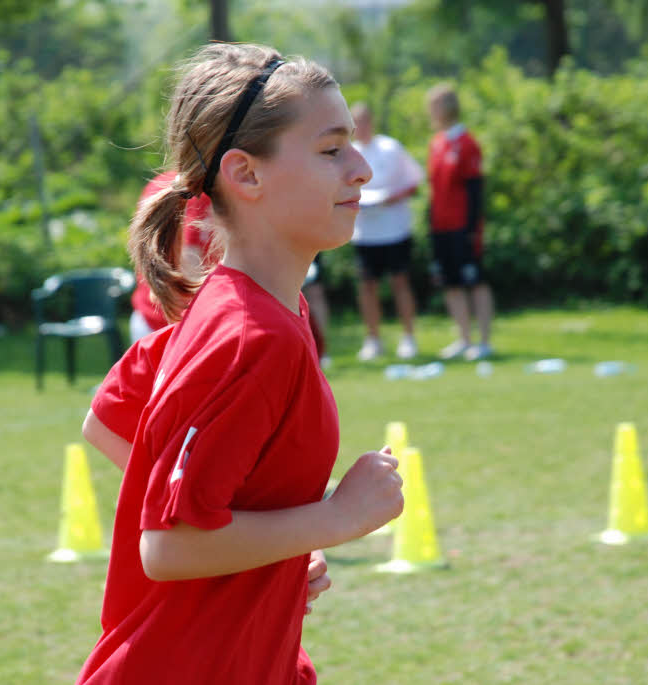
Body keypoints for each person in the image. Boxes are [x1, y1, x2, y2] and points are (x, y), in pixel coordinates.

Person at [75, 43, 403, 685]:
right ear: (245, 175)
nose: (361, 169)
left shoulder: (254, 310)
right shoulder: (250, 335)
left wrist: (267, 549)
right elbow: (171, 546)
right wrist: (335, 518)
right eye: (332, 148)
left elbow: (111, 420)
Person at [349, 103, 423, 361]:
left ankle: (409, 336)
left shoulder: (390, 148)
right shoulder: (350, 153)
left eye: (364, 121)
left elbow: (415, 181)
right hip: (365, 232)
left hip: (394, 229)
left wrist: (391, 198)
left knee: (399, 282)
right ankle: (373, 339)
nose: (361, 128)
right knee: (367, 285)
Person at [426, 83, 495, 361]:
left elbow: (475, 190)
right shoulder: (437, 144)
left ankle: (485, 341)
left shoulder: (467, 144)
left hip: (463, 227)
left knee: (475, 281)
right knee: (451, 283)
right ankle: (464, 339)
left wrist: (470, 230)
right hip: (441, 227)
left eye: (434, 105)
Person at [128, 172, 213, 343]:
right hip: (176, 327)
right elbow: (190, 268)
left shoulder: (160, 183)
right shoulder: (206, 192)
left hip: (148, 320)